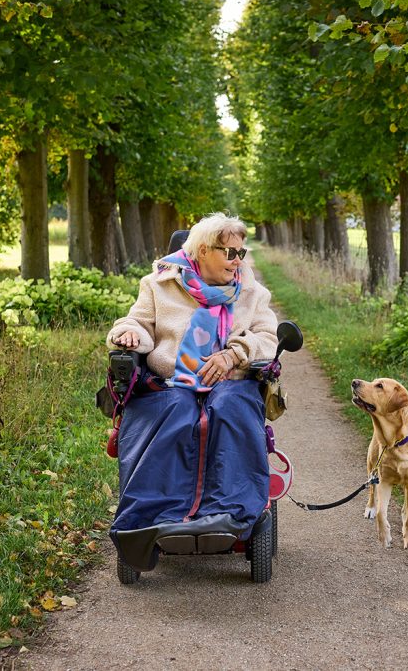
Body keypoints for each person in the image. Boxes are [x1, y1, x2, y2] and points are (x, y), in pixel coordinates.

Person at [105, 213, 278, 566]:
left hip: (231, 381)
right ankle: (151, 516)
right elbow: (137, 322)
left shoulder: (251, 291)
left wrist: (234, 355)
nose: (237, 261)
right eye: (229, 252)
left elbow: (267, 337)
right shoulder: (159, 284)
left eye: (241, 253)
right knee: (176, 412)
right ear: (201, 250)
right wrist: (129, 335)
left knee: (230, 408)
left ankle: (229, 511)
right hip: (172, 381)